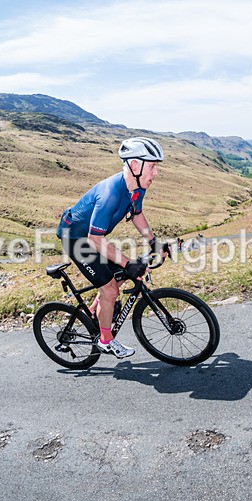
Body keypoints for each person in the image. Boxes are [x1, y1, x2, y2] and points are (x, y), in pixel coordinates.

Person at [56, 137, 171, 358]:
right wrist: (128, 263)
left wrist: (154, 241)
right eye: (153, 167)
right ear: (135, 166)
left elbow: (136, 214)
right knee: (111, 288)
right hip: (76, 239)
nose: (156, 173)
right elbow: (95, 239)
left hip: (93, 238)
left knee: (119, 274)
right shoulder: (111, 192)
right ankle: (105, 340)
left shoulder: (138, 187)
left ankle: (94, 312)